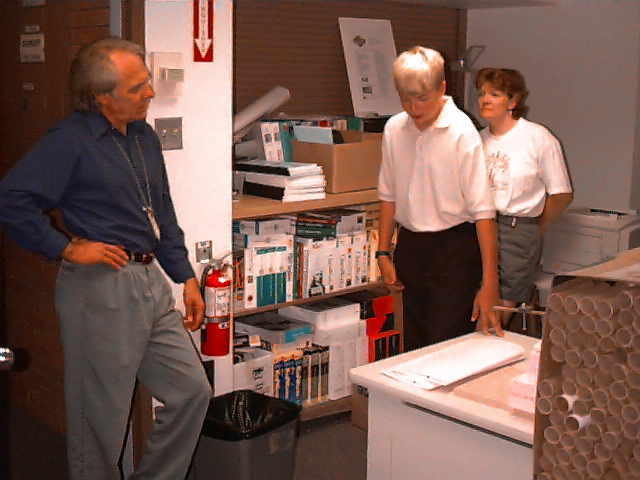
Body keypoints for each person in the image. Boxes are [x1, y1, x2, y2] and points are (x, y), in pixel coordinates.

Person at [0, 38, 212, 479]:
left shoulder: (143, 136)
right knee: (100, 423)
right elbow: (11, 199)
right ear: (101, 96)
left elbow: (162, 213)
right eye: (136, 88)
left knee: (191, 392)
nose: (150, 93)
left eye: (147, 82)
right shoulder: (68, 141)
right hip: (101, 288)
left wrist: (186, 277)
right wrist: (65, 246)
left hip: (150, 283)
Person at [377, 46, 503, 352]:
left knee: (445, 347)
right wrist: (382, 252)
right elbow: (388, 195)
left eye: (422, 98)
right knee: (414, 346)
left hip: (454, 248)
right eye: (405, 99)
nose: (413, 107)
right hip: (411, 246)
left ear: (442, 88)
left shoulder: (462, 132)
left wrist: (490, 283)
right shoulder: (394, 129)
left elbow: (483, 213)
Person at [475, 68, 573, 325]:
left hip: (517, 229)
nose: (485, 100)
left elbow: (561, 193)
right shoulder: (477, 140)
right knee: (476, 300)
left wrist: (537, 226)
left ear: (513, 101)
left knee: (499, 308)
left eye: (494, 94)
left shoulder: (537, 137)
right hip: (479, 225)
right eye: (481, 94)